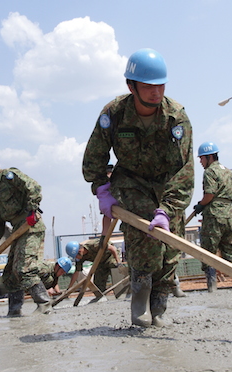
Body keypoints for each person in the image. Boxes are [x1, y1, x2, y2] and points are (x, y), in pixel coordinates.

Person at [82, 48, 194, 327]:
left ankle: (160, 308)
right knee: (145, 232)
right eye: (148, 86)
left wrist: (168, 210)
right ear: (131, 86)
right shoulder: (114, 114)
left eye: (160, 85)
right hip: (130, 181)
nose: (156, 93)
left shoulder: (176, 117)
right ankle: (139, 303)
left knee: (170, 244)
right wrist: (101, 189)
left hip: (168, 184)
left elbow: (184, 170)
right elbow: (95, 155)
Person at [0, 147, 51, 317]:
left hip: (31, 226)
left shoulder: (10, 176)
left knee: (24, 269)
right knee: (9, 276)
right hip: (18, 230)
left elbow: (34, 187)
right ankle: (14, 311)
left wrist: (32, 209)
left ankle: (44, 305)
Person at [193, 142, 232, 292]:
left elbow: (209, 194)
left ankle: (212, 287)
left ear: (209, 157)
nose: (200, 162)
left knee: (208, 251)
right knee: (230, 251)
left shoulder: (210, 172)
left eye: (202, 159)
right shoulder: (229, 172)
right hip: (229, 216)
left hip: (214, 216)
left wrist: (200, 205)